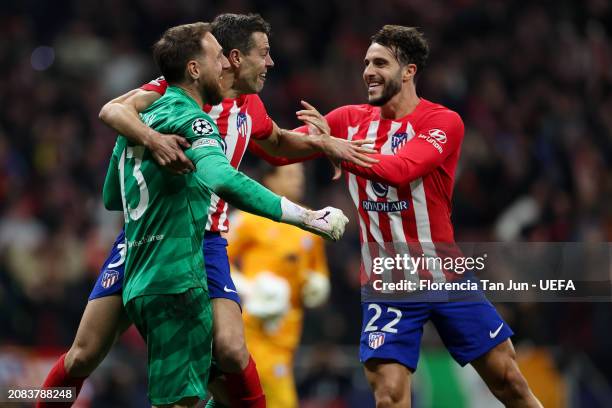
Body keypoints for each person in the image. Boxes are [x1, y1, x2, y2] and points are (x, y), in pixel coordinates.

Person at [37, 14, 368, 408]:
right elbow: (113, 111)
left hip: (205, 237)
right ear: (232, 58)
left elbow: (277, 143)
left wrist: (322, 144)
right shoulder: (172, 93)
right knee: (84, 354)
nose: (271, 63)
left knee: (228, 351)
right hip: (152, 237)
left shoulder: (249, 106)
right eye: (263, 53)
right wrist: (153, 140)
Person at [295, 25, 543, 407]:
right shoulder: (348, 120)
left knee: (509, 380)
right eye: (366, 63)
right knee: (390, 396)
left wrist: (337, 148)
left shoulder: (443, 122)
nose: (368, 71)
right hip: (387, 284)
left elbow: (401, 169)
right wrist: (238, 112)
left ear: (409, 70)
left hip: (446, 275)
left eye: (380, 62)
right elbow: (282, 147)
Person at [227, 163, 331, 408]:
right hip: (254, 327)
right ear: (269, 180)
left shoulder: (312, 223)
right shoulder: (249, 217)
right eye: (291, 175)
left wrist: (318, 286)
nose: (299, 180)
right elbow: (217, 258)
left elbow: (317, 273)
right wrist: (247, 288)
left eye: (301, 175)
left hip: (289, 332)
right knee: (280, 400)